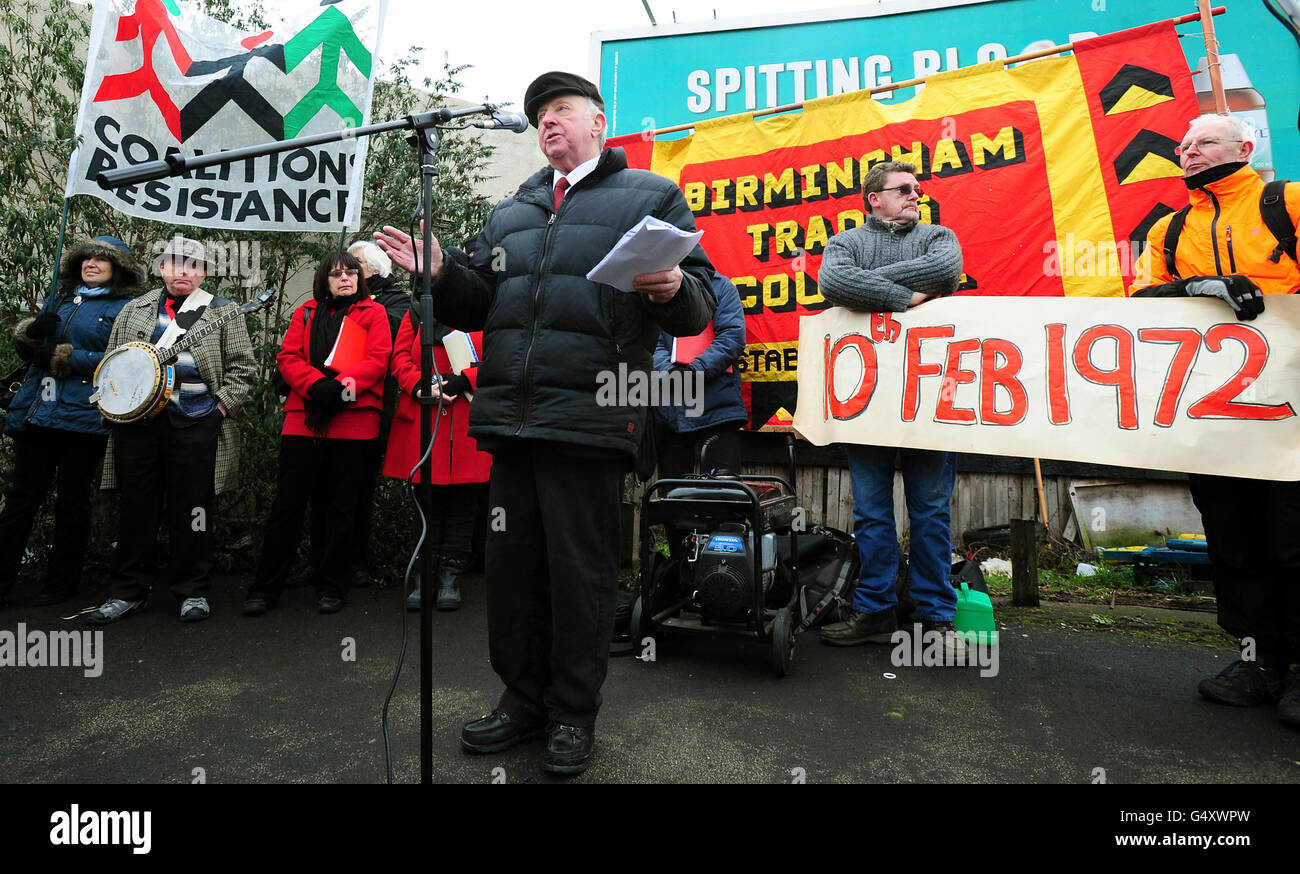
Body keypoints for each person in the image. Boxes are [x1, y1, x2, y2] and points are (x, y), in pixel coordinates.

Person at [375, 71, 716, 775]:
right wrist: (440, 274)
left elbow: (697, 308)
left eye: (561, 110)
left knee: (578, 576)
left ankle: (572, 713)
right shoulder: (513, 211)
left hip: (590, 420)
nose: (547, 122)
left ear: (598, 122)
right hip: (511, 420)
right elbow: (478, 304)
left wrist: (676, 287)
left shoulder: (649, 196)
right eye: (539, 116)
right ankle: (522, 699)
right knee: (512, 572)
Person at [1130, 113, 1300, 729]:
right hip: (1215, 420)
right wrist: (1204, 285)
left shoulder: (1289, 204)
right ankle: (1258, 662)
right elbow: (1141, 302)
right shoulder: (1170, 229)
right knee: (1235, 544)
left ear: (1245, 146)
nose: (1188, 151)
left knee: (1293, 542)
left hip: (1292, 419)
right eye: (1183, 145)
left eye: (1203, 142)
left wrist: (1258, 287)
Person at [813, 161, 965, 652]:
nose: (915, 195)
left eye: (918, 189)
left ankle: (936, 615)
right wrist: (908, 296)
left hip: (931, 397)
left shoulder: (940, 236)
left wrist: (870, 287)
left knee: (931, 512)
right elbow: (833, 283)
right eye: (904, 189)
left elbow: (947, 271)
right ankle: (875, 608)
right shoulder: (846, 243)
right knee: (873, 514)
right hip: (868, 397)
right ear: (873, 197)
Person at [89, 236, 256, 624]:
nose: (182, 271)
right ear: (161, 269)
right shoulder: (135, 310)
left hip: (196, 424)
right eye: (174, 263)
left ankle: (193, 591)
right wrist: (113, 410)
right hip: (137, 426)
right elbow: (111, 365)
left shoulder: (223, 312)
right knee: (136, 508)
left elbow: (244, 370)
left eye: (192, 265)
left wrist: (217, 411)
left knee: (193, 509)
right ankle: (127, 591)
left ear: (204, 273)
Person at [242, 251, 392, 616]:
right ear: (324, 279)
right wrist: (316, 388)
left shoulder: (375, 313)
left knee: (342, 507)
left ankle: (332, 586)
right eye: (337, 274)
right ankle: (266, 588)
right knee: (288, 506)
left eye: (351, 273)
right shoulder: (305, 311)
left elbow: (378, 358)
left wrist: (340, 388)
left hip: (354, 420)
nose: (345, 279)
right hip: (303, 417)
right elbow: (288, 357)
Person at [0, 236, 142, 608]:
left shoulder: (125, 308)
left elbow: (124, 360)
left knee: (72, 502)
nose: (91, 263)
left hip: (84, 417)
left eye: (101, 259)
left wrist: (67, 356)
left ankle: (61, 583)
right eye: (86, 258)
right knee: (21, 500)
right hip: (40, 413)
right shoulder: (60, 298)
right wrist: (31, 335)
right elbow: (32, 354)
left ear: (118, 269)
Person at [383, 304, 490, 611]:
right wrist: (419, 385)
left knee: (464, 501)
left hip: (469, 413)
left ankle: (450, 576)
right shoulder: (417, 311)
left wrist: (466, 380)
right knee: (427, 498)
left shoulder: (485, 310)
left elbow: (501, 357)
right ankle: (422, 574)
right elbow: (400, 357)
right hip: (424, 413)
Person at [345, 240, 409, 589]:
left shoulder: (394, 302)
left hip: (371, 406)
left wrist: (364, 308)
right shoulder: (338, 299)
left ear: (373, 270)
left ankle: (356, 561)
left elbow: (397, 338)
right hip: (333, 403)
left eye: (353, 264)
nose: (345, 270)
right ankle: (325, 560)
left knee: (359, 486)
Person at [652, 272, 747, 478]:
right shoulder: (657, 289)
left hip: (718, 408)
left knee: (723, 493)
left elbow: (732, 337)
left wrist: (695, 370)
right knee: (672, 495)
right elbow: (650, 341)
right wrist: (668, 373)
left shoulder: (722, 286)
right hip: (672, 411)